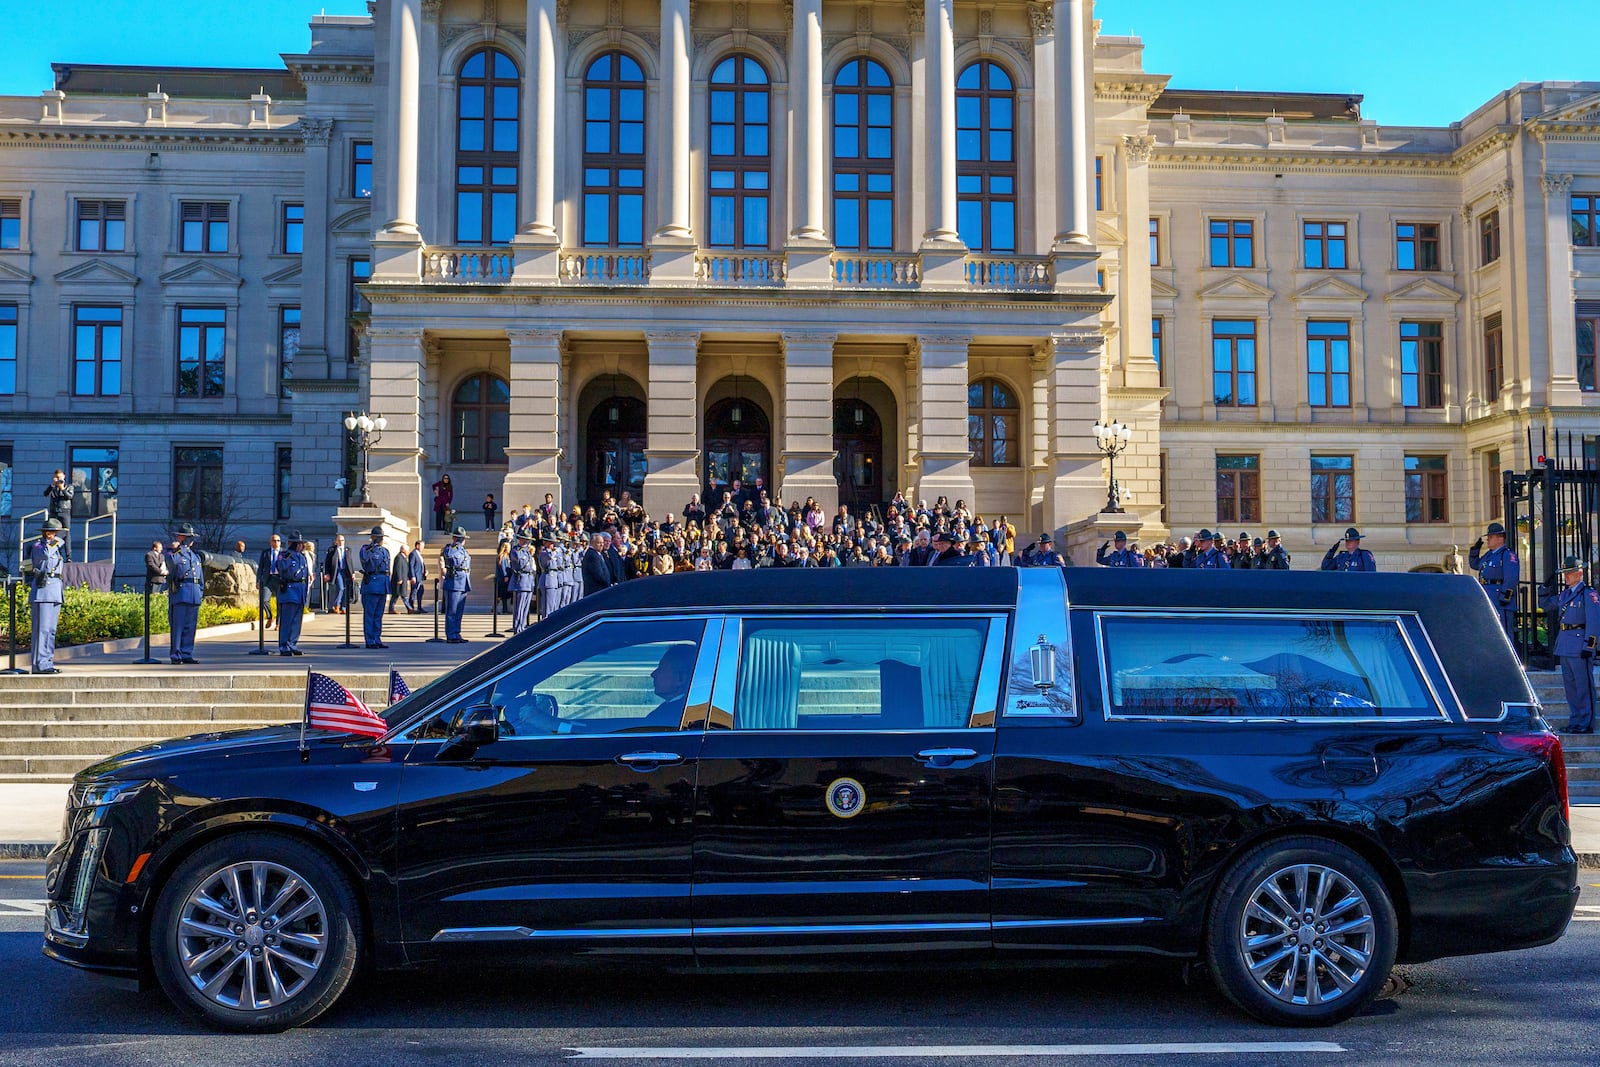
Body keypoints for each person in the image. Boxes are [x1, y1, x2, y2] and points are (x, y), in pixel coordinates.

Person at [1539, 556, 1598, 734]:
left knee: (1583, 686)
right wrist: (1544, 587)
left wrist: (1590, 645)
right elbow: (1545, 605)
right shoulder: (1566, 594)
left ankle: (1586, 722)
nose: (1566, 577)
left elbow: (1595, 621)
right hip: (1565, 645)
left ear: (1579, 573)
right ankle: (1575, 720)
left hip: (1580, 645)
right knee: (1571, 688)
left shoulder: (1589, 594)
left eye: (1569, 573)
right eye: (1564, 573)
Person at [27, 518, 67, 674]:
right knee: (42, 630)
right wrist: (56, 542)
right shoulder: (39, 546)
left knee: (51, 630)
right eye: (52, 532)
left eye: (56, 532)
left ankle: (47, 661)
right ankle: (40, 664)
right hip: (43, 592)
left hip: (55, 591)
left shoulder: (55, 548)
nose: (55, 535)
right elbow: (44, 556)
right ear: (46, 533)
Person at [1469, 522, 1520, 638]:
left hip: (1500, 599)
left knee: (1503, 633)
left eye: (1491, 537)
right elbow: (1476, 565)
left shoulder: (1507, 555)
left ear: (1500, 539)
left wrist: (1505, 598)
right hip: (1488, 596)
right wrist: (1475, 551)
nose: (1488, 540)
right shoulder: (1490, 555)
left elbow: (1511, 579)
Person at [164, 522, 205, 664]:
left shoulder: (195, 556)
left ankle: (187, 653)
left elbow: (200, 578)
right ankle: (176, 655)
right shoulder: (175, 554)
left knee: (190, 627)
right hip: (181, 593)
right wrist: (173, 548)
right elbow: (170, 562)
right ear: (181, 538)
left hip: (193, 595)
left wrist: (200, 593)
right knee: (178, 627)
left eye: (191, 538)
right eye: (188, 537)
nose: (191, 540)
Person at [640, 643, 698, 730]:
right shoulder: (690, 710)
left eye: (661, 669)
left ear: (680, 679)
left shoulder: (666, 717)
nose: (653, 674)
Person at [275, 532, 310, 656]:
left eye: (301, 544)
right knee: (287, 620)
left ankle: (292, 643)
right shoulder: (285, 555)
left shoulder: (302, 556)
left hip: (300, 591)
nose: (301, 546)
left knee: (296, 621)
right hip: (289, 590)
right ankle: (284, 645)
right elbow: (281, 567)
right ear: (292, 544)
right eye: (299, 544)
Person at [358, 526, 391, 649]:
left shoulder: (385, 551)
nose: (381, 540)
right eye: (379, 538)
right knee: (370, 614)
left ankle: (377, 638)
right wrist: (372, 546)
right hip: (372, 584)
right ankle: (370, 640)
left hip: (382, 585)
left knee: (378, 615)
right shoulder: (366, 550)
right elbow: (365, 561)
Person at [441, 528, 472, 643]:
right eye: (460, 538)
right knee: (452, 611)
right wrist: (455, 544)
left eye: (462, 539)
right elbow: (448, 556)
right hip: (453, 582)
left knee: (459, 611)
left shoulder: (464, 551)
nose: (462, 541)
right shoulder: (450, 549)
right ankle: (451, 635)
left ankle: (457, 632)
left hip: (463, 582)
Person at [509, 530, 536, 634]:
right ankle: (517, 628)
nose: (528, 542)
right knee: (519, 608)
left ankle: (522, 626)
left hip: (528, 581)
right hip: (520, 581)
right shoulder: (516, 551)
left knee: (525, 608)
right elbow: (520, 564)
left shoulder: (526, 551)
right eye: (526, 540)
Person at [257, 533, 283, 630]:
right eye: (274, 540)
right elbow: (261, 568)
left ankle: (278, 623)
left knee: (280, 602)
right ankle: (269, 617)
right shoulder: (265, 553)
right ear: (270, 542)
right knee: (264, 599)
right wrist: (258, 580)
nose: (276, 542)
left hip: (279, 579)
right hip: (268, 579)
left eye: (278, 541)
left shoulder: (283, 553)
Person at [43, 470, 73, 552]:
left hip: (64, 511)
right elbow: (45, 494)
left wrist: (62, 488)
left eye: (60, 477)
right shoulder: (53, 488)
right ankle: (55, 552)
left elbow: (69, 497)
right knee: (53, 532)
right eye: (57, 477)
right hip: (54, 512)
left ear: (64, 476)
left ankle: (68, 555)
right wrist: (52, 485)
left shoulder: (69, 486)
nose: (58, 479)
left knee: (66, 532)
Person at [322, 534, 352, 613]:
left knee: (345, 589)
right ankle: (336, 605)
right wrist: (327, 573)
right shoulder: (332, 550)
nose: (341, 542)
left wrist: (352, 573)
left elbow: (350, 562)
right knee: (341, 588)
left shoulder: (347, 550)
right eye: (339, 540)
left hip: (345, 571)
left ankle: (344, 607)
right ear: (336, 541)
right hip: (337, 571)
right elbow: (327, 562)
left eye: (342, 540)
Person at [536, 533, 561, 620]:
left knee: (553, 604)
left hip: (553, 580)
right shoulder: (543, 552)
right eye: (551, 543)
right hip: (547, 580)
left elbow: (559, 563)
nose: (552, 545)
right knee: (547, 606)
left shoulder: (554, 552)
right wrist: (554, 551)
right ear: (546, 543)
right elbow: (550, 557)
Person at [387, 546, 411, 614]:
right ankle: (409, 608)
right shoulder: (399, 557)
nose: (408, 552)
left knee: (398, 595)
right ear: (403, 550)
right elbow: (398, 569)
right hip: (399, 581)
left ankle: (408, 608)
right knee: (399, 595)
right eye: (407, 550)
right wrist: (399, 578)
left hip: (403, 580)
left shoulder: (403, 558)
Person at [407, 541, 427, 613]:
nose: (423, 548)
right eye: (422, 546)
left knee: (420, 591)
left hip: (420, 577)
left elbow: (421, 565)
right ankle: (411, 608)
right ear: (417, 546)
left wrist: (425, 571)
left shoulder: (419, 554)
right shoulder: (413, 554)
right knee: (414, 592)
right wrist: (412, 576)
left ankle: (419, 607)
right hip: (415, 577)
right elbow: (411, 566)